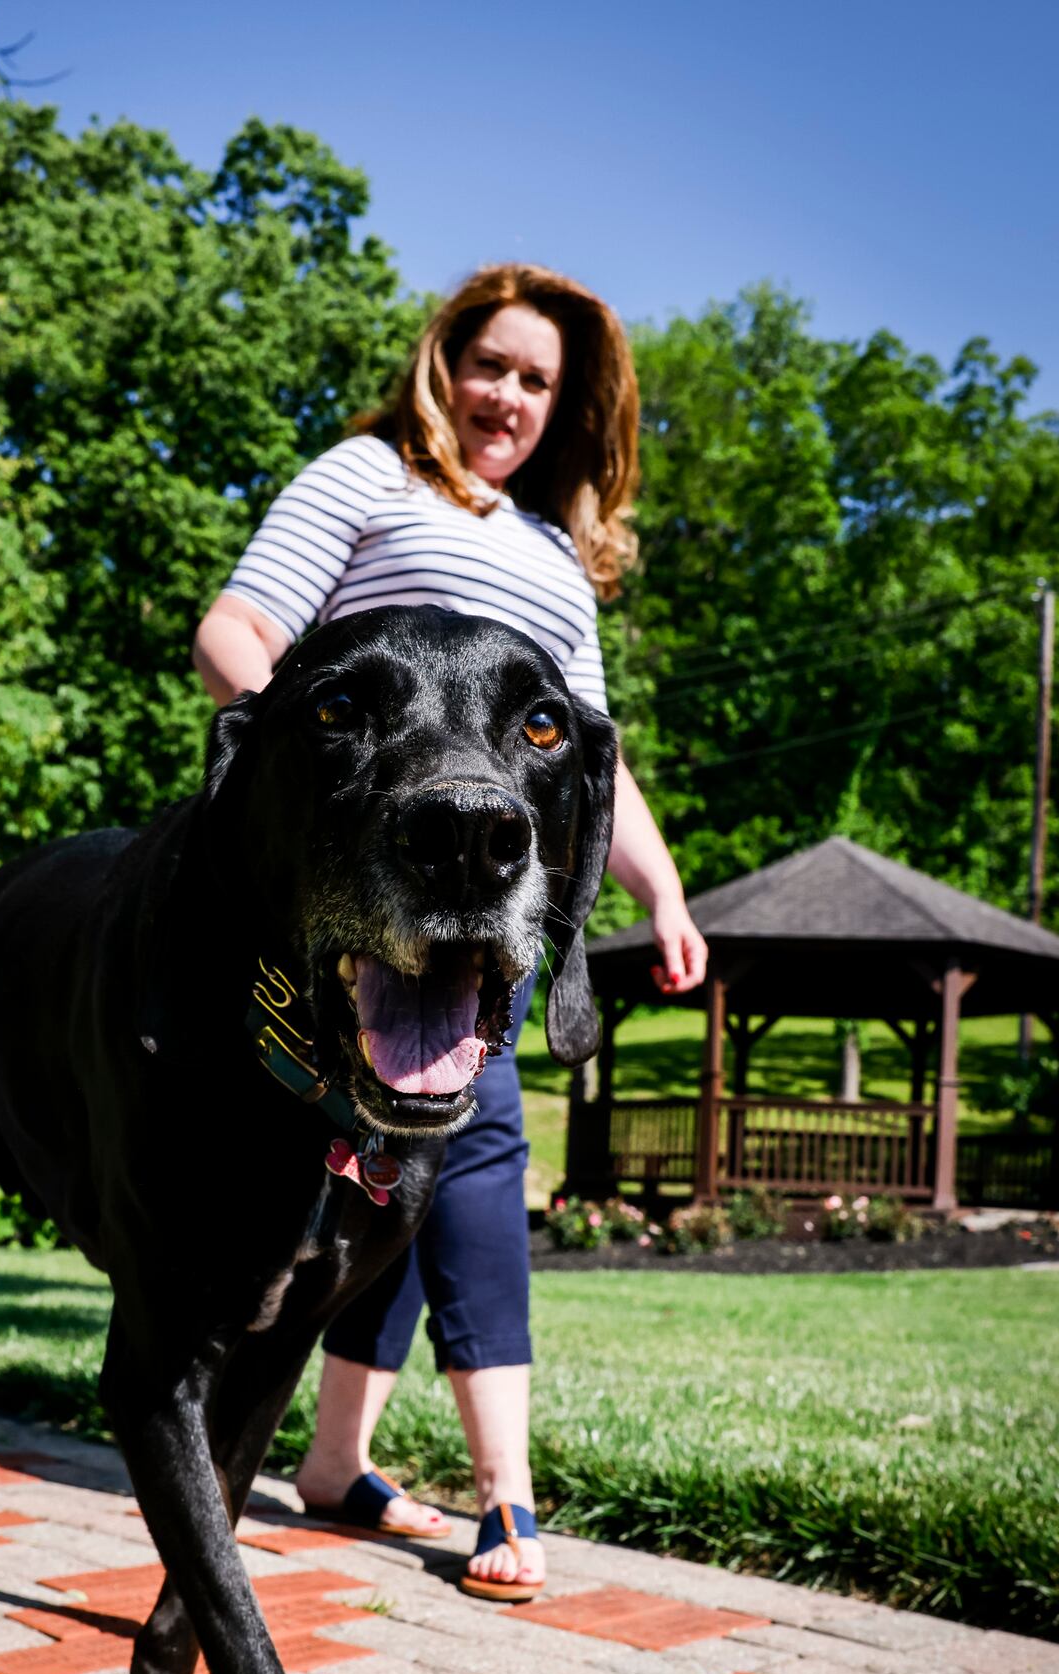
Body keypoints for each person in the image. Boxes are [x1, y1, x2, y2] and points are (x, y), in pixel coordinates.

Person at [194, 264, 706, 1601]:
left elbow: (591, 756)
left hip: (487, 893)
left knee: (437, 1136)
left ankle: (354, 1464)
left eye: (540, 381)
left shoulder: (553, 562)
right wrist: (332, 797)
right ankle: (488, 1494)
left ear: (566, 407)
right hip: (360, 881)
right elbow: (238, 629)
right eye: (492, 364)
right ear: (444, 362)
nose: (510, 397)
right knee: (419, 1151)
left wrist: (661, 889)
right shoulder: (365, 479)